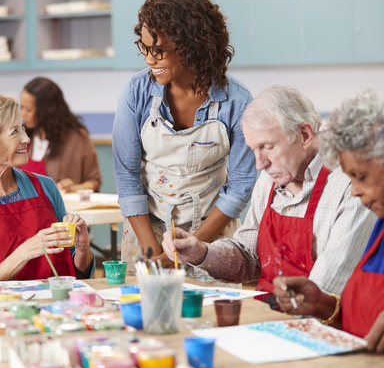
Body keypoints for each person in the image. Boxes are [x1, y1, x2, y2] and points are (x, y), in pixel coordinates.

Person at [162, 86, 377, 307]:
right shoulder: (271, 178)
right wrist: (201, 252)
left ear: (304, 135)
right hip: (269, 311)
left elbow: (325, 289)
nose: (259, 164)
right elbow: (249, 257)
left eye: (267, 147)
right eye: (254, 149)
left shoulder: (352, 186)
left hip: (320, 321)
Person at [112, 0, 256, 281]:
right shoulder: (135, 92)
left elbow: (240, 186)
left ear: (193, 46)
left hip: (211, 237)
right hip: (146, 234)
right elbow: (127, 177)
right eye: (144, 47)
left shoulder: (237, 102)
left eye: (159, 50)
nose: (150, 59)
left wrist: (192, 248)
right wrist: (155, 253)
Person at [0, 90, 95, 282]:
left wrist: (82, 251)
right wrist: (25, 252)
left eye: (23, 127)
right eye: (15, 131)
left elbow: (75, 269)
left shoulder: (46, 187)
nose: (26, 138)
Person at [274, 90, 384, 352]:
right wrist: (324, 305)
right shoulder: (379, 228)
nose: (355, 191)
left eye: (361, 176)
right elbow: (365, 315)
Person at [19, 77, 102, 193]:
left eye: (28, 110)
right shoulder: (23, 137)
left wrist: (74, 188)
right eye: (21, 107)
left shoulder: (76, 139)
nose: (22, 114)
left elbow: (94, 182)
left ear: (46, 111)